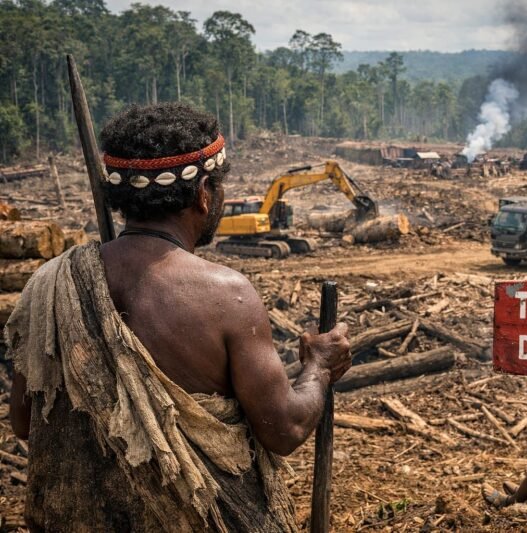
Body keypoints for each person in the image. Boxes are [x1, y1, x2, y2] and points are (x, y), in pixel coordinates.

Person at [7, 103, 352, 532]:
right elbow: (284, 427)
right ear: (204, 193)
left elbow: (24, 421)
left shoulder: (48, 282)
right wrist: (319, 366)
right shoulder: (227, 295)